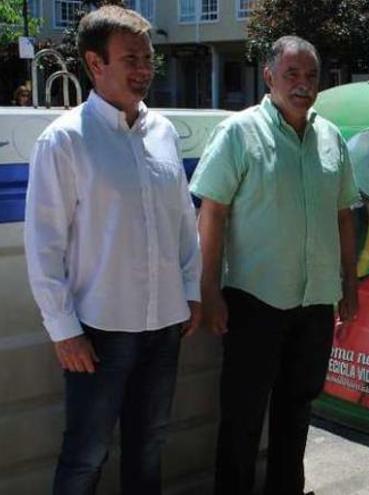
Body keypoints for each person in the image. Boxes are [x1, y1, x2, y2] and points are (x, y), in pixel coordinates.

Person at [24, 6, 201, 494]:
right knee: (85, 455)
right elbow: (43, 245)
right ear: (94, 63)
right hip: (99, 334)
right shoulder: (64, 140)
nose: (144, 69)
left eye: (148, 58)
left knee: (149, 447)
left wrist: (191, 291)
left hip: (164, 326)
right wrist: (64, 331)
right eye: (131, 59)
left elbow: (184, 222)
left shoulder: (162, 133)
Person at [190, 35, 360, 495]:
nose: (303, 84)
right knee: (243, 416)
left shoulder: (331, 137)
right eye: (292, 74)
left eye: (310, 76)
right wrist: (209, 290)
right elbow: (213, 211)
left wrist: (350, 281)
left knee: (298, 410)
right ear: (269, 76)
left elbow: (344, 214)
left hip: (315, 302)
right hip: (253, 302)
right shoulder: (239, 133)